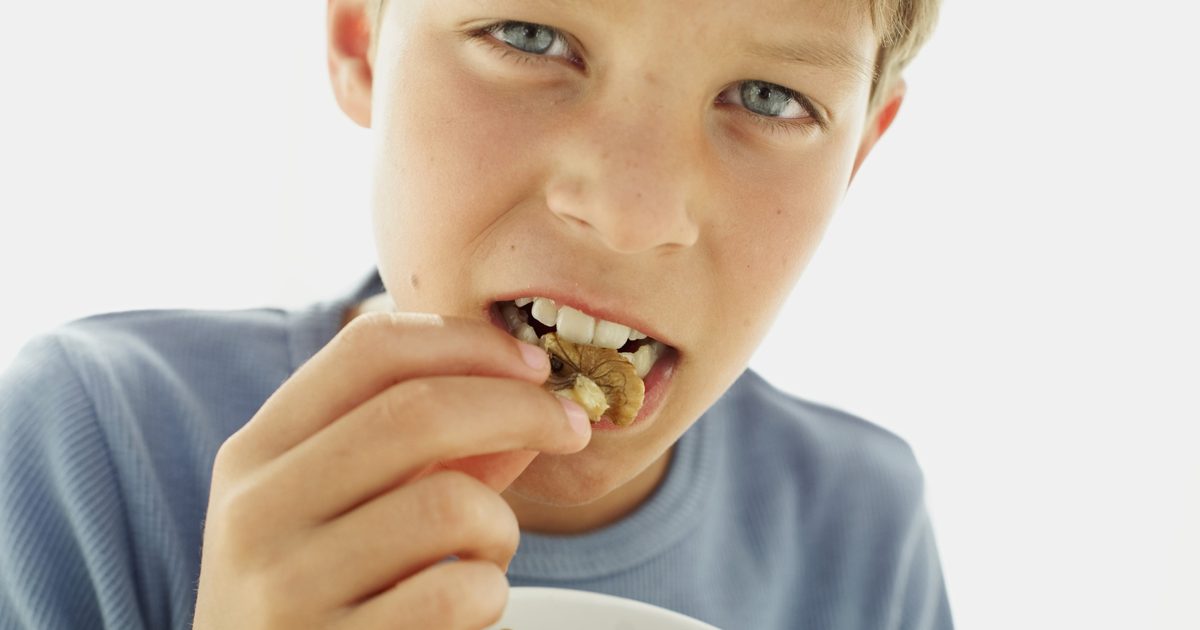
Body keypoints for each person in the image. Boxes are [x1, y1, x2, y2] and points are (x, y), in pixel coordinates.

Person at [0, 0, 951, 628]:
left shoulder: (859, 534)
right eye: (533, 37)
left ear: (858, 154)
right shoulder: (90, 451)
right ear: (360, 41)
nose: (628, 215)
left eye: (768, 97)